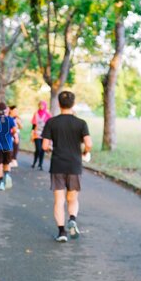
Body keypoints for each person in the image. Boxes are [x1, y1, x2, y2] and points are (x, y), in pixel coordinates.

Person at [42, 91, 92, 242]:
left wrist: (51, 150)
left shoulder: (52, 122)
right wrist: (85, 152)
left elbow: (44, 146)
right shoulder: (81, 123)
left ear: (59, 104)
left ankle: (62, 232)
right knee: (72, 198)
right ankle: (72, 219)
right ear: (73, 104)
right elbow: (89, 144)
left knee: (59, 200)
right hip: (74, 165)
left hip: (57, 164)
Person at [0, 102, 17, 191]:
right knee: (7, 163)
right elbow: (14, 130)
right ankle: (7, 175)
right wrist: (11, 134)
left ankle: (1, 183)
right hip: (8, 145)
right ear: (6, 110)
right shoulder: (10, 119)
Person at [31, 100, 51, 170]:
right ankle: (34, 161)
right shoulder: (36, 114)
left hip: (44, 134)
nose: (41, 106)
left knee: (43, 149)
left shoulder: (48, 114)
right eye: (40, 105)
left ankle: (40, 164)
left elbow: (49, 125)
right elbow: (33, 126)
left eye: (42, 105)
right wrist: (32, 134)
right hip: (37, 134)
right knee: (38, 149)